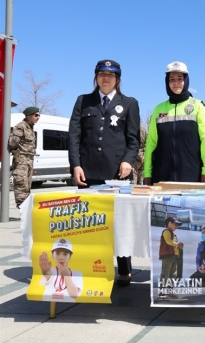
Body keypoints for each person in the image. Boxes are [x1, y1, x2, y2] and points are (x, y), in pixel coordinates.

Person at [68, 59, 140, 286]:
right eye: (102, 74)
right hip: (88, 173)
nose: (106, 78)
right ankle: (90, 268)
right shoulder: (83, 101)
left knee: (120, 224)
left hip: (117, 175)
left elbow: (133, 140)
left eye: (111, 74)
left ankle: (124, 268)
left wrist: (128, 161)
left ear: (117, 79)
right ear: (96, 77)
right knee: (88, 224)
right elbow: (74, 136)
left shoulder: (129, 103)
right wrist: (75, 165)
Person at [143, 61, 205, 185]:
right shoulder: (159, 109)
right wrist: (147, 173)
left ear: (186, 81)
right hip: (162, 176)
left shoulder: (198, 106)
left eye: (180, 79)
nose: (176, 83)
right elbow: (151, 143)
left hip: (192, 176)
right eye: (172, 79)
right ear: (167, 82)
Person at [8, 107, 40, 208]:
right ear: (28, 116)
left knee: (27, 186)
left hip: (29, 160)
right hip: (21, 160)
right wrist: (18, 153)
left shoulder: (29, 127)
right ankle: (23, 209)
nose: (38, 117)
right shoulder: (21, 127)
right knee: (21, 185)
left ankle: (25, 211)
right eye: (36, 115)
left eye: (39, 115)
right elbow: (12, 143)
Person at [158, 217, 184, 299]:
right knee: (165, 274)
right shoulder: (166, 231)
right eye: (175, 224)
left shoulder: (172, 233)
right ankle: (162, 292)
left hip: (173, 257)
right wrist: (177, 245)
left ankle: (170, 291)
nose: (176, 226)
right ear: (169, 223)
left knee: (173, 275)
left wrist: (179, 248)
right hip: (167, 256)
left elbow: (172, 244)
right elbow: (168, 241)